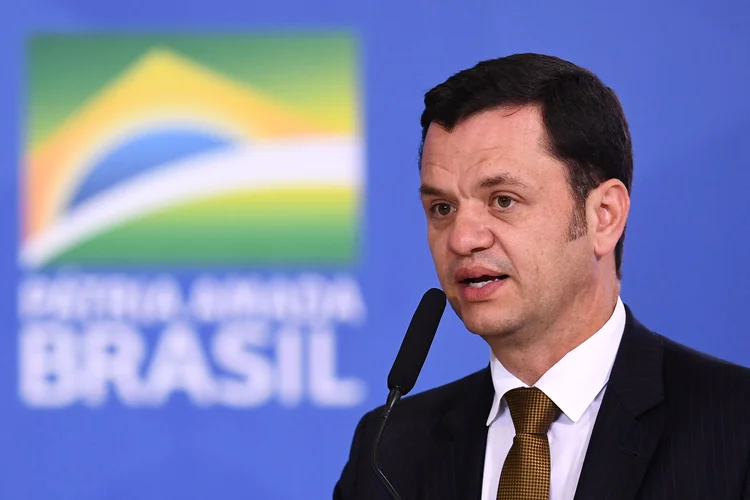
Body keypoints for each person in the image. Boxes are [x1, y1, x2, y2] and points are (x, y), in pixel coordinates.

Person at [333, 53, 750, 500]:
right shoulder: (388, 451)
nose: (461, 238)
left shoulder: (735, 426)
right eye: (442, 208)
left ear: (603, 217)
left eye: (503, 200)